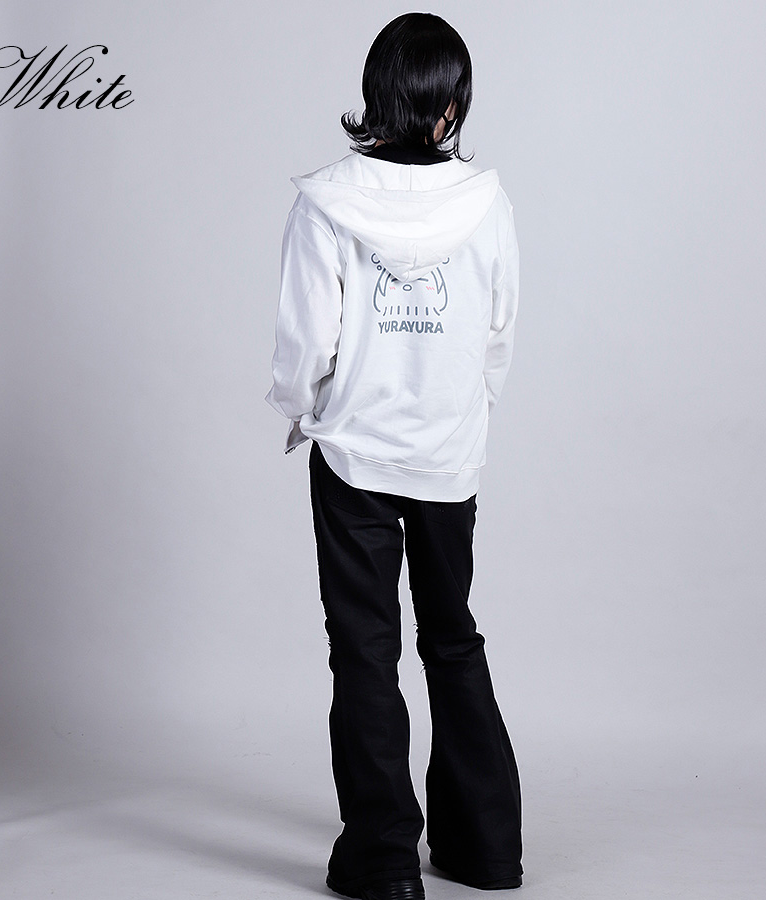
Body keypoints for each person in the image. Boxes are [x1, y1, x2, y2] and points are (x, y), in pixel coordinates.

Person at [266, 13, 522, 900]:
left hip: (354, 458)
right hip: (449, 456)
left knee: (365, 650)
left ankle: (382, 861)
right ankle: (485, 850)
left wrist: (302, 410)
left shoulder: (327, 203)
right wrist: (464, 420)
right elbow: (499, 332)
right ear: (452, 104)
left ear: (377, 94)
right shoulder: (487, 201)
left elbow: (307, 338)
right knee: (452, 637)